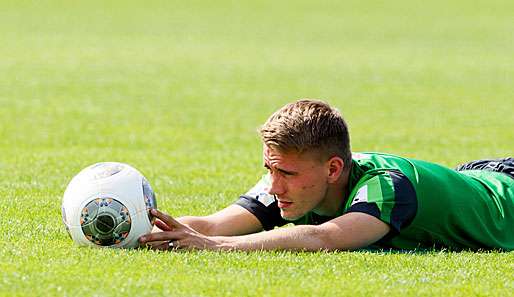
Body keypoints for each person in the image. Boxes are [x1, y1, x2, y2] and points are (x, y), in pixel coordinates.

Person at [139, 99, 514, 251]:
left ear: (333, 169)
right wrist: (138, 233)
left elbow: (323, 237)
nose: (273, 184)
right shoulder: (289, 182)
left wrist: (218, 249)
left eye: (286, 172)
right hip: (477, 176)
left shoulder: (387, 187)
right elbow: (212, 225)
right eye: (269, 169)